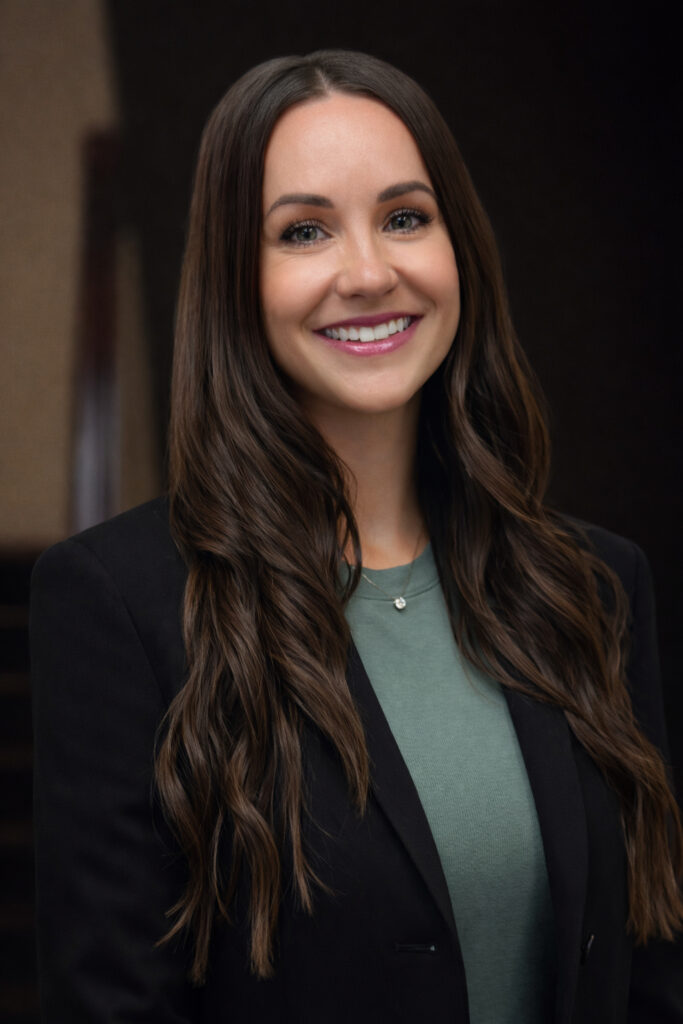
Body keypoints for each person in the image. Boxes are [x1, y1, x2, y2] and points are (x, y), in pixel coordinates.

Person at [30, 50, 682, 1023]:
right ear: (233, 279)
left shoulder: (590, 584)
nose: (368, 272)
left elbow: (646, 974)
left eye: (404, 217)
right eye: (303, 232)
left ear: (458, 246)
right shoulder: (118, 605)